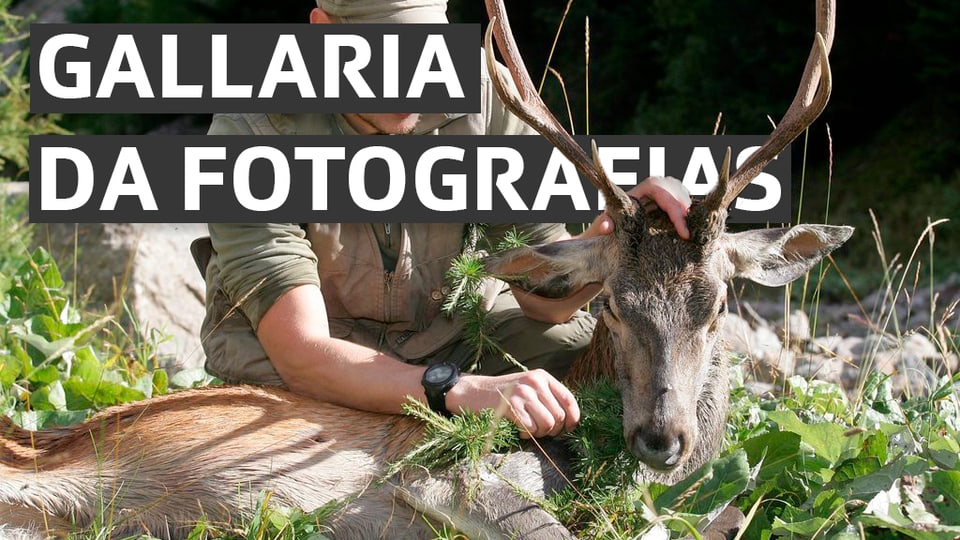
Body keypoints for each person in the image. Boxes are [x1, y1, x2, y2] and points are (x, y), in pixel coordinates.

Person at [193, 0, 691, 439]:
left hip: (453, 334)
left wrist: (621, 233)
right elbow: (303, 355)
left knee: (588, 358)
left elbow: (545, 306)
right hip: (308, 358)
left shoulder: (483, 95)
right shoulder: (253, 129)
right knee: (270, 428)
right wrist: (456, 390)